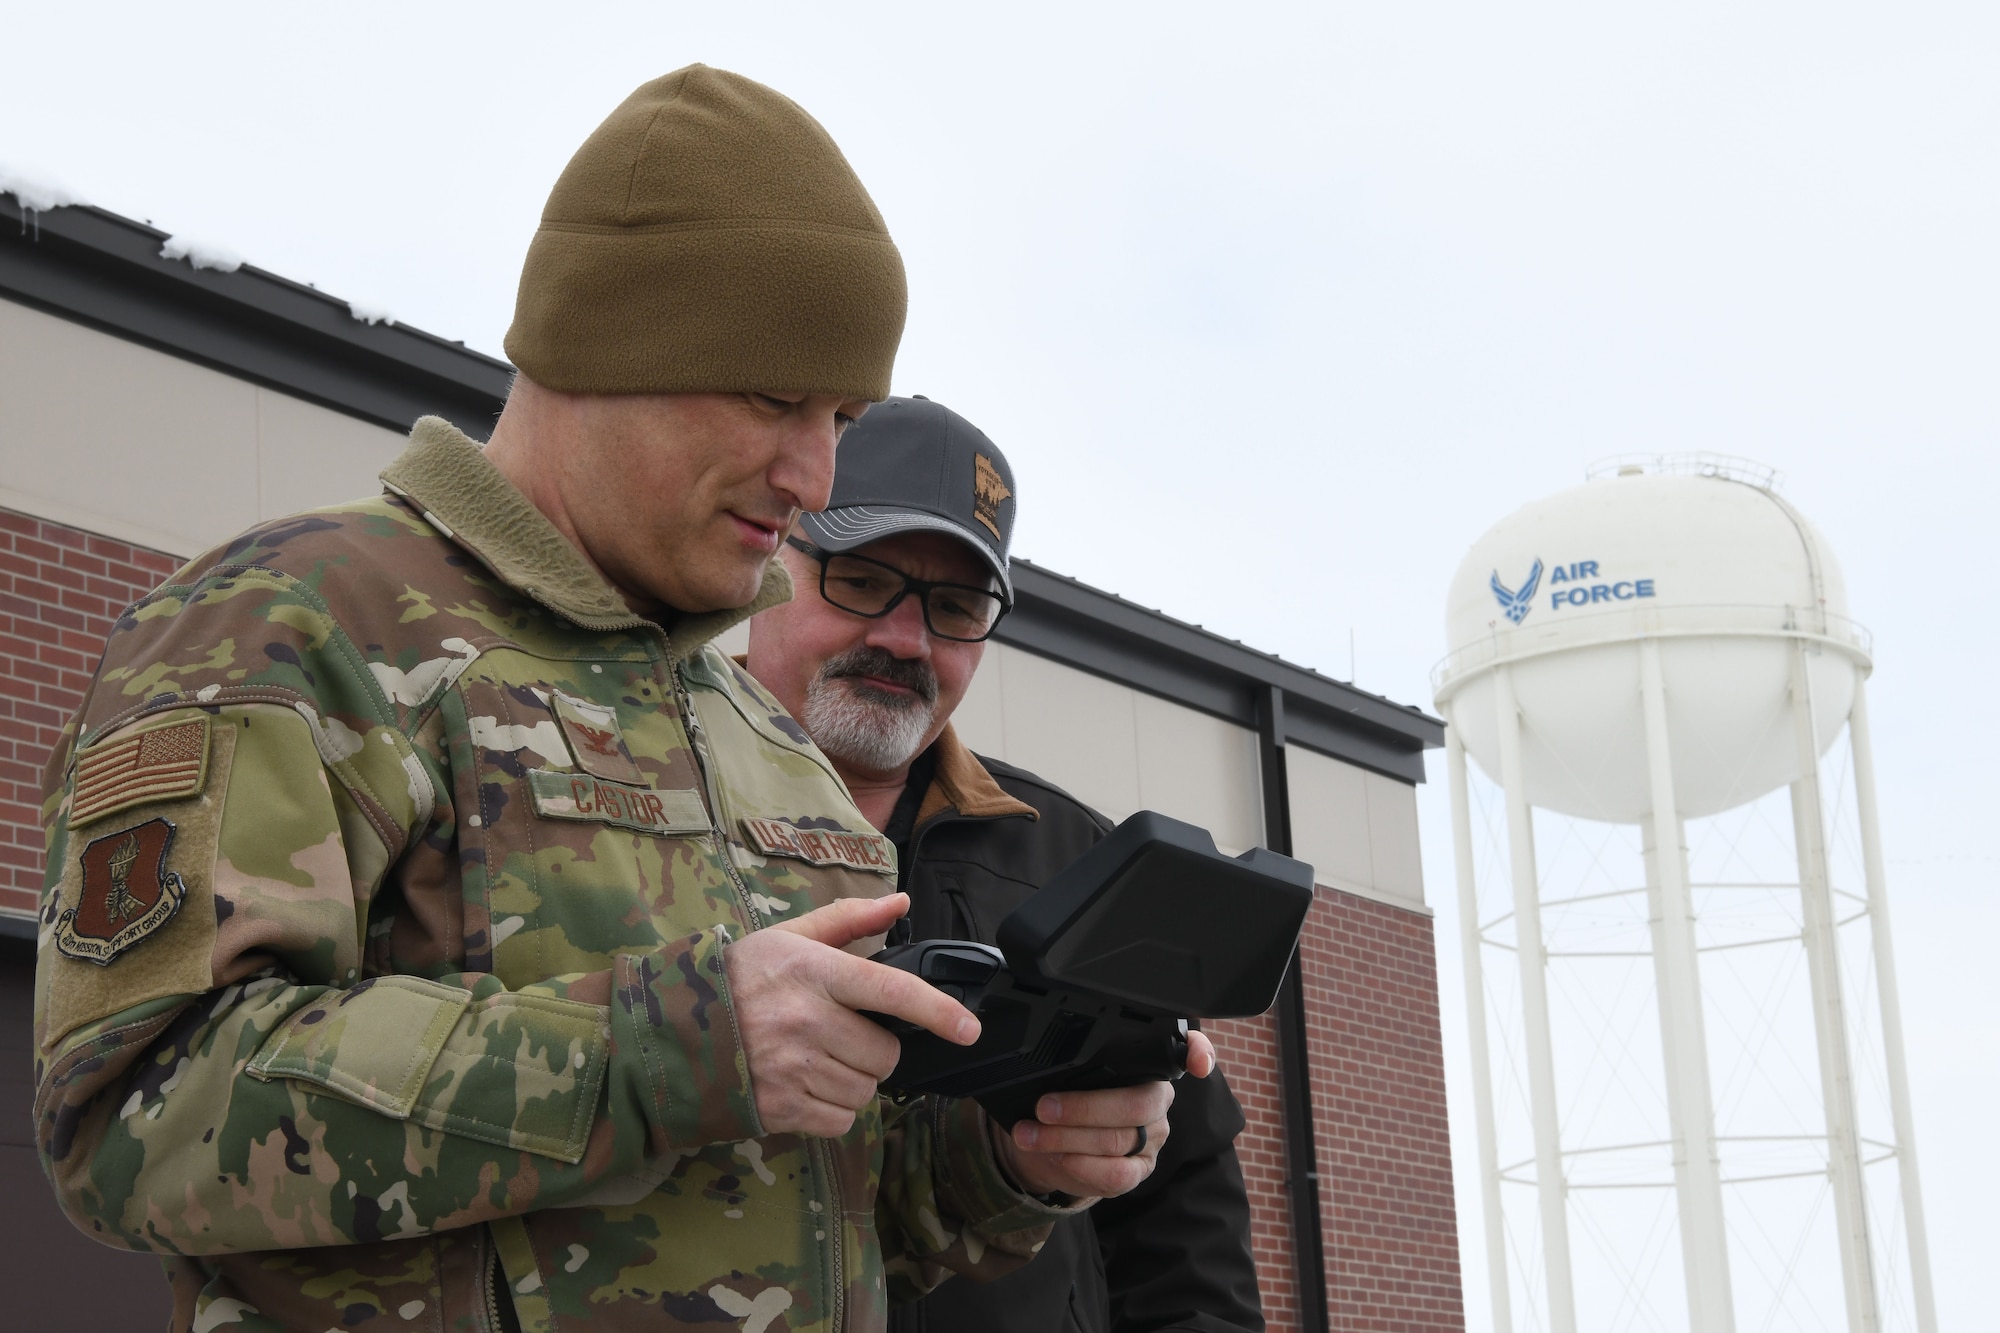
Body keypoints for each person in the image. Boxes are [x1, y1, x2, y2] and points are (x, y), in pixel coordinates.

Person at [31, 68, 1181, 1333]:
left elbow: (802, 1205)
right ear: (606, 343)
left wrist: (1005, 1166)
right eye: (773, 397)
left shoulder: (764, 740)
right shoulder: (294, 623)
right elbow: (135, 1118)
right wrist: (675, 1044)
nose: (813, 473)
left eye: (841, 414)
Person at [745, 396, 1263, 1333]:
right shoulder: (630, 800)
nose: (907, 640)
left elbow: (1188, 1214)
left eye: (955, 607)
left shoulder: (1087, 864)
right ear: (770, 557)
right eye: (861, 580)